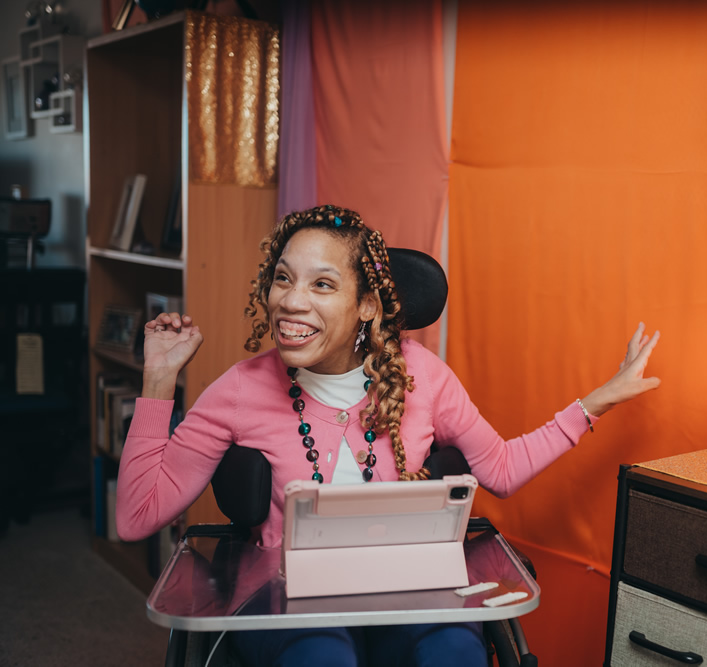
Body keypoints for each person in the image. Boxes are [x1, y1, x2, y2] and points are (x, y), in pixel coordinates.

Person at [117, 204, 660, 667]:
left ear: (368, 306)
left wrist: (597, 402)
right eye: (283, 277)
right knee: (324, 656)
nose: (290, 301)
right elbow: (136, 515)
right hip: (287, 600)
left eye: (322, 284)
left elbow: (502, 470)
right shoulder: (241, 388)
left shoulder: (422, 376)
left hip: (409, 592)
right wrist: (159, 379)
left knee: (456, 650)